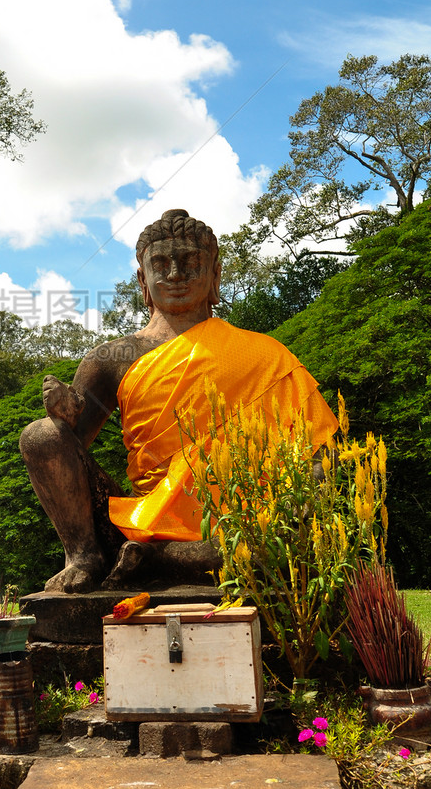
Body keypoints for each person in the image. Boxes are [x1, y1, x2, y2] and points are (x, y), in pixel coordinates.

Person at [19, 207, 338, 594]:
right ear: (143, 279)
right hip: (138, 518)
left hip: (240, 522)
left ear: (215, 274)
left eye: (190, 262)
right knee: (41, 436)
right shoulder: (112, 359)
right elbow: (67, 451)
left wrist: (301, 503)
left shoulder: (264, 354)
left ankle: (156, 560)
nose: (174, 274)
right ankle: (85, 557)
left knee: (267, 539)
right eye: (160, 263)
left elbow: (320, 450)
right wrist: (66, 417)